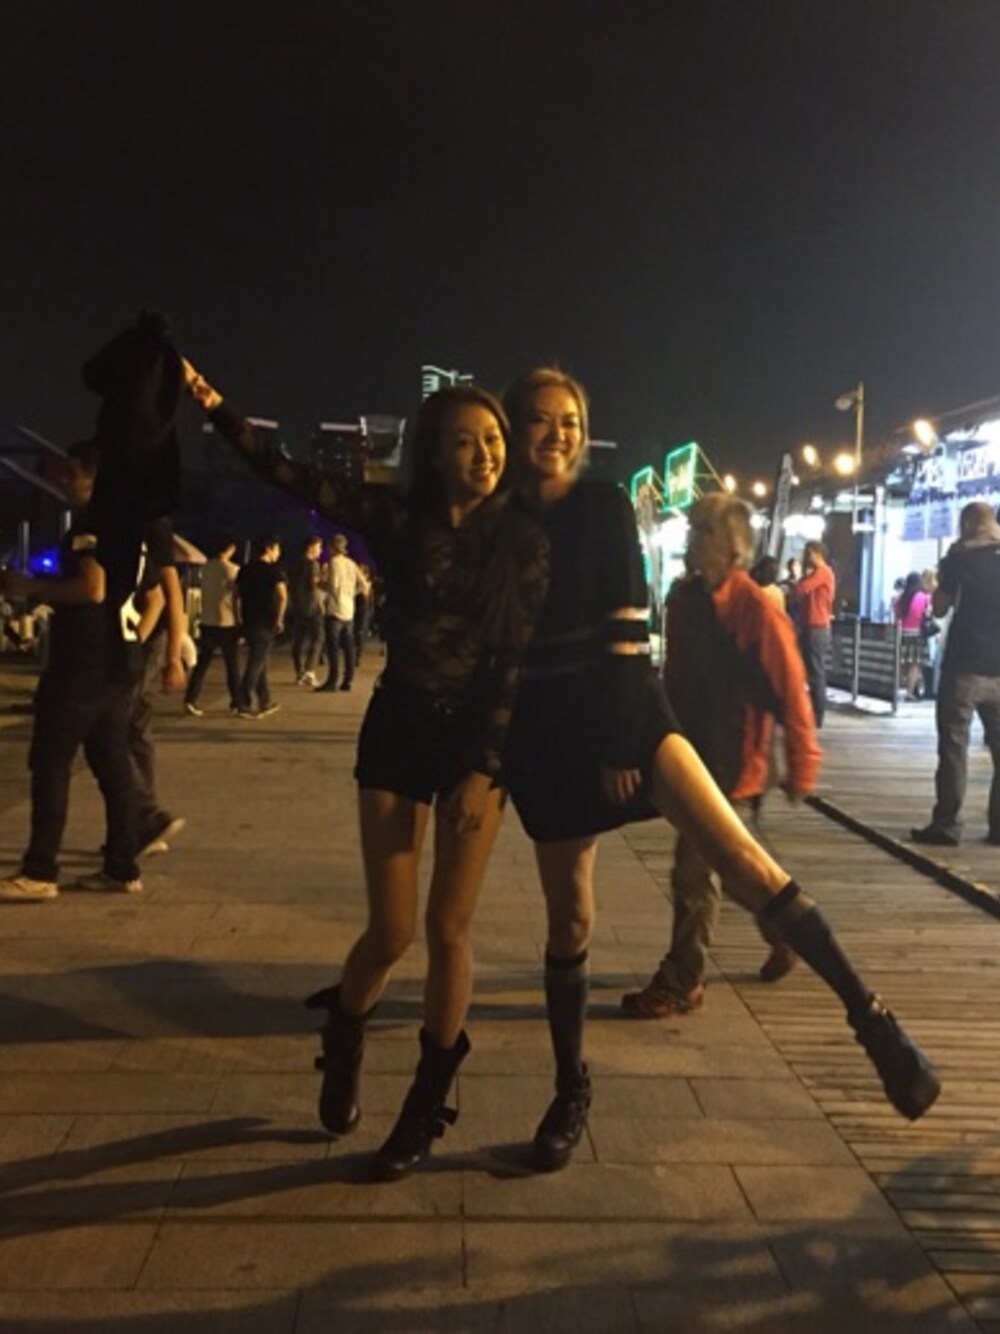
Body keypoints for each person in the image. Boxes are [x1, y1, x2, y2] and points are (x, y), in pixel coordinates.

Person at [502, 366, 939, 1173]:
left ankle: (872, 1018)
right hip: (545, 734)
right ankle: (570, 1087)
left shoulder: (602, 505)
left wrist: (620, 743)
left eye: (570, 420)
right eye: (538, 418)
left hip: (628, 718)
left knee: (741, 858)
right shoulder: (497, 520)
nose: (556, 433)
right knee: (570, 918)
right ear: (512, 428)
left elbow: (626, 629)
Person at [182, 361, 549, 1178]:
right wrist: (217, 406)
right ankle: (344, 1035)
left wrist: (485, 767)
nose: (485, 453)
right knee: (391, 932)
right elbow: (286, 473)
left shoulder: (522, 539)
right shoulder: (394, 515)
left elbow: (514, 660)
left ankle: (425, 1106)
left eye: (493, 439)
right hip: (399, 727)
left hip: (476, 744)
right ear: (434, 453)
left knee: (449, 929)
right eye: (465, 441)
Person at [621, 495, 820, 1020]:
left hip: (734, 759)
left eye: (703, 530)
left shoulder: (755, 608)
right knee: (732, 866)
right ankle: (784, 928)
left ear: (732, 545)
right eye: (694, 529)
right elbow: (673, 677)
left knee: (694, 872)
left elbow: (791, 689)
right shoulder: (685, 599)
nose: (692, 539)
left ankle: (683, 978)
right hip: (691, 752)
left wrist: (802, 762)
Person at [0, 443, 145, 901]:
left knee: (50, 759)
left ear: (94, 479)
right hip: (118, 659)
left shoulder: (91, 526)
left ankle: (40, 869)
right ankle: (121, 866)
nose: (65, 482)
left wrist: (32, 587)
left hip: (83, 660)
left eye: (73, 474)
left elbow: (92, 588)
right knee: (112, 762)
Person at [912, 501, 1000, 847]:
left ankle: (948, 825)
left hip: (963, 665)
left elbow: (939, 608)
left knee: (953, 747)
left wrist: (939, 580)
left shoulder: (957, 559)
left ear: (966, 525)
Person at [184, 535, 242, 715]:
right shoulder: (233, 570)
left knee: (202, 664)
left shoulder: (204, 569)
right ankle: (237, 702)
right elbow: (236, 597)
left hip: (207, 620)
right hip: (227, 621)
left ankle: (191, 699)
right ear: (230, 549)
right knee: (232, 665)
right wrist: (240, 621)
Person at [235, 535, 287, 718]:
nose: (279, 553)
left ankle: (265, 701)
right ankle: (243, 702)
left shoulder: (245, 569)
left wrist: (237, 617)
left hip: (248, 619)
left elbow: (235, 596)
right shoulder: (274, 571)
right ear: (269, 549)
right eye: (277, 549)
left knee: (260, 661)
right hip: (266, 620)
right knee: (256, 662)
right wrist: (279, 618)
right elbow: (282, 596)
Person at [796, 540, 835, 728]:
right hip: (811, 626)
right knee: (810, 671)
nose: (806, 556)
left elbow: (801, 588)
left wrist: (800, 574)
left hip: (817, 627)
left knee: (816, 672)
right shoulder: (816, 573)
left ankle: (817, 715)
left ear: (818, 553)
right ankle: (811, 712)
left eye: (808, 553)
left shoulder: (823, 572)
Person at [315, 534, 359, 693]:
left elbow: (332, 585)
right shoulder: (352, 563)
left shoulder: (333, 562)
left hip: (335, 609)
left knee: (333, 648)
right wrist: (351, 594)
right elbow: (364, 585)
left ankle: (332, 681)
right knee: (348, 647)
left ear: (332, 547)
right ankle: (348, 680)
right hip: (349, 609)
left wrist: (320, 584)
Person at [291, 535, 325, 687]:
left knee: (298, 641)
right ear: (311, 547)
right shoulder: (313, 564)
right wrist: (324, 578)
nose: (320, 550)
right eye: (318, 547)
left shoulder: (295, 563)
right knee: (318, 637)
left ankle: (299, 673)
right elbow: (314, 584)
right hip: (312, 606)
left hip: (297, 606)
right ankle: (309, 671)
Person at [894, 571, 933, 702]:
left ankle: (893, 689)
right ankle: (909, 693)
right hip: (917, 635)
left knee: (901, 664)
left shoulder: (900, 599)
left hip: (902, 634)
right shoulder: (924, 598)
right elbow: (928, 615)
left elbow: (897, 618)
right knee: (914, 665)